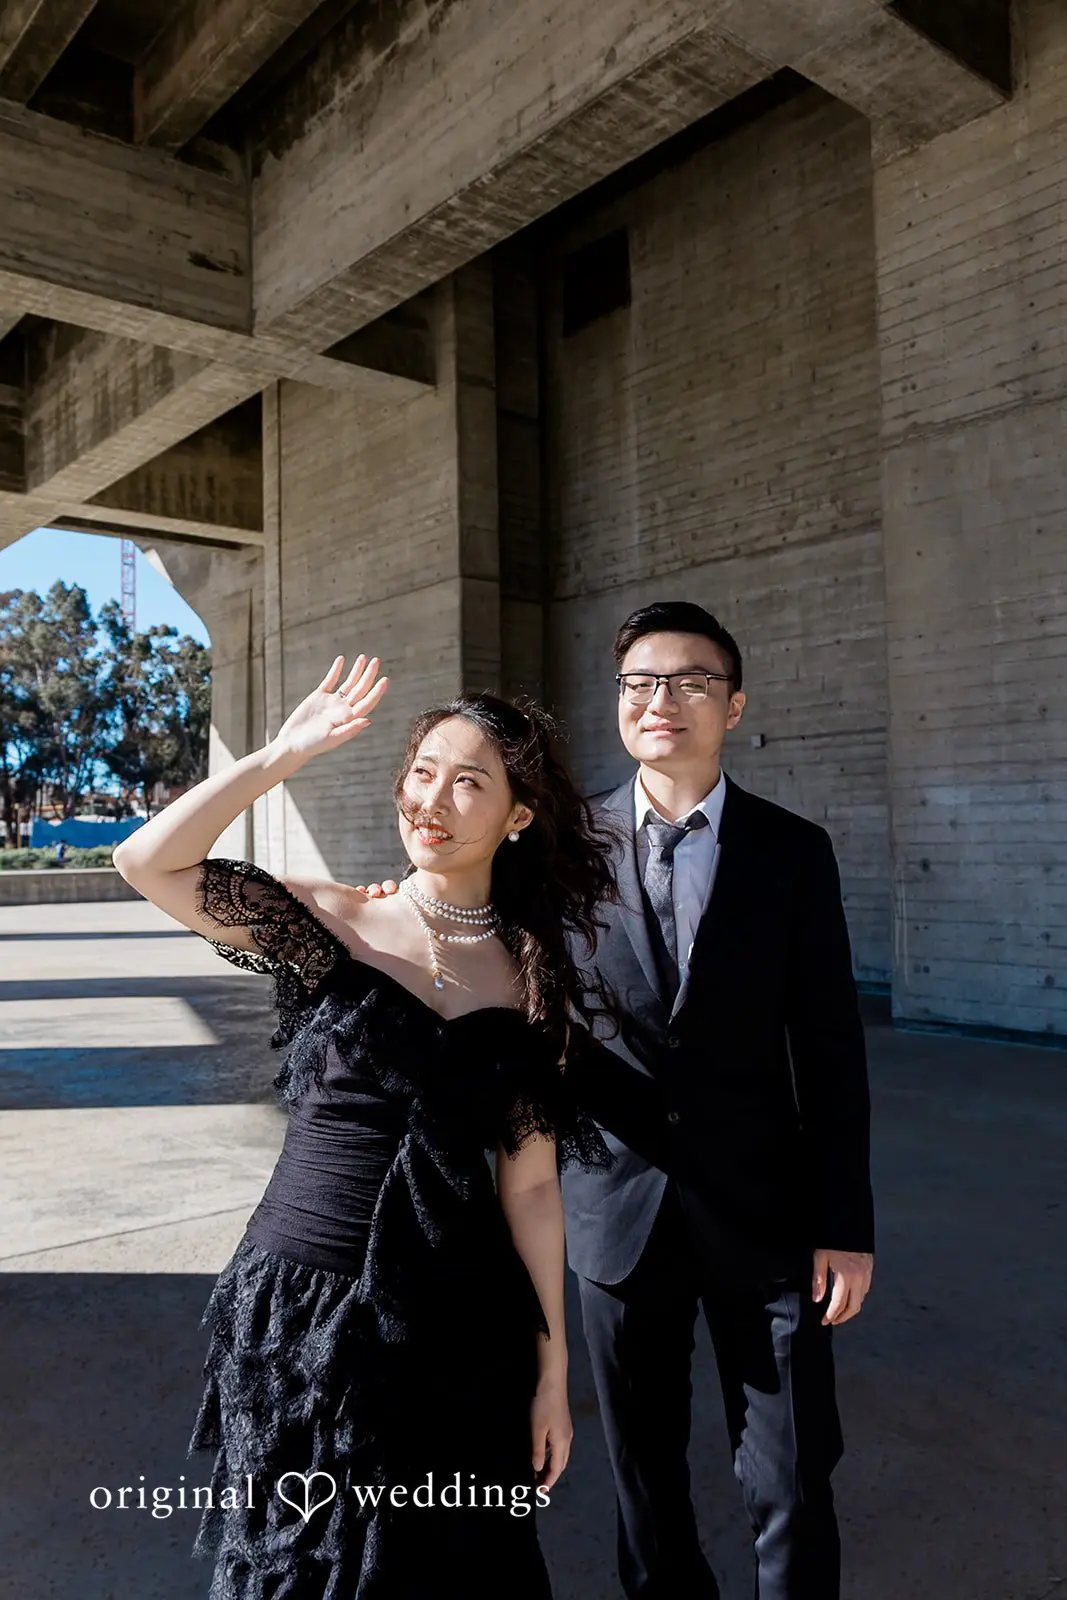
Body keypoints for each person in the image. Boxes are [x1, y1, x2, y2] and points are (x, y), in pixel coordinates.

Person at [112, 652, 620, 1600]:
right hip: (306, 1301)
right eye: (422, 772)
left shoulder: (533, 980)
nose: (433, 799)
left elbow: (532, 1186)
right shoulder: (329, 922)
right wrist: (281, 755)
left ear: (517, 817)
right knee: (308, 1568)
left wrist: (552, 1373)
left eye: (469, 781)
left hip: (461, 1322)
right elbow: (146, 863)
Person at [565, 599, 875, 1600]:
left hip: (767, 1215)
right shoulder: (560, 851)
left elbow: (828, 1049)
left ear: (732, 705)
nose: (662, 699)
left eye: (691, 681)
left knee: (792, 1476)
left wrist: (844, 1224)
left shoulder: (792, 851)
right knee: (644, 1484)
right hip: (618, 1215)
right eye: (640, 682)